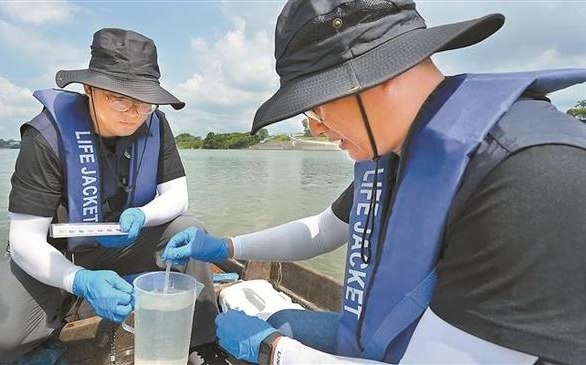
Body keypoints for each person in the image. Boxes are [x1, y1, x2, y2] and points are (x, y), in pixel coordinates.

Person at [162, 1, 586, 364]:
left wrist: (272, 351)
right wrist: (227, 246)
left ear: (377, 76)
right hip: (396, 339)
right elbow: (325, 229)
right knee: (274, 321)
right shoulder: (398, 149)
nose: (316, 128)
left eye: (316, 105)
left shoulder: (529, 174)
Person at [0, 28, 218, 363]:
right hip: (56, 255)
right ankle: (58, 325)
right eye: (119, 99)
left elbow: (177, 196)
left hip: (122, 245)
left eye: (144, 101)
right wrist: (80, 281)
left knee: (189, 232)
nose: (133, 112)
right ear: (90, 89)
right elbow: (24, 239)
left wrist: (143, 215)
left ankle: (199, 343)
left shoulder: (155, 125)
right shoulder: (46, 136)